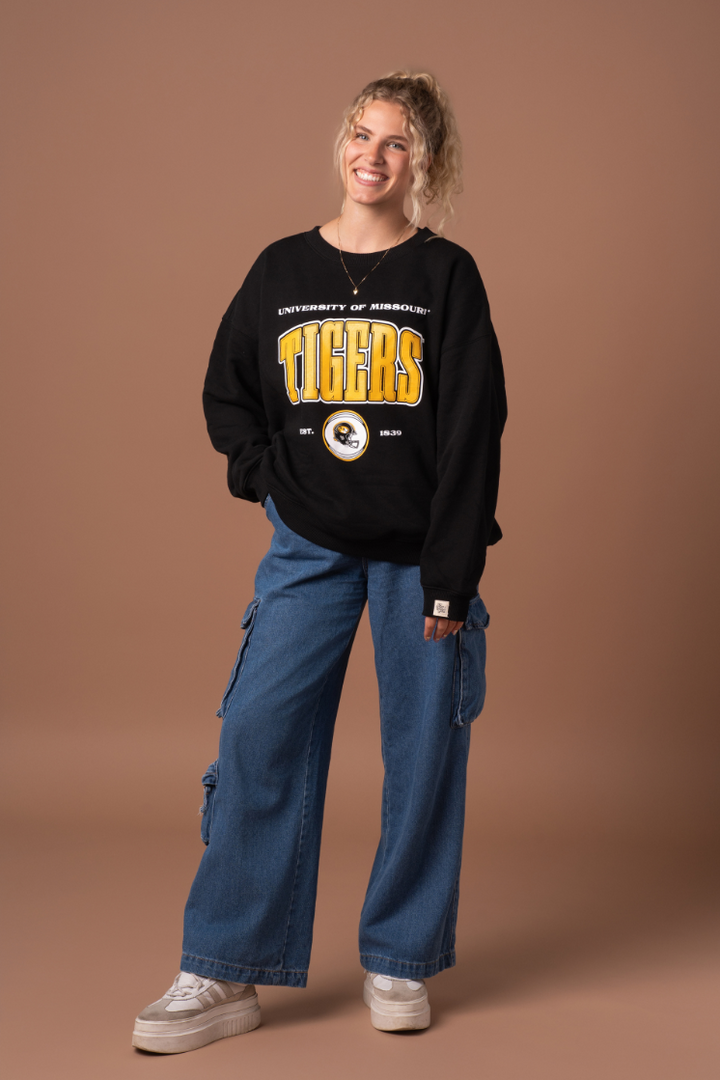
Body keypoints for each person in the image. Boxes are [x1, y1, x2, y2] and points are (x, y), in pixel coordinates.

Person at [132, 70, 507, 1054]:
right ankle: (223, 968)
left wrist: (453, 574)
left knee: (424, 756)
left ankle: (401, 955)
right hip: (306, 549)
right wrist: (267, 478)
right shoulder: (281, 271)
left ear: (422, 162)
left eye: (395, 143)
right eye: (359, 134)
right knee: (258, 735)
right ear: (339, 144)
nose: (371, 156)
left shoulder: (446, 278)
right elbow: (227, 390)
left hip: (422, 558)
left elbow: (475, 431)